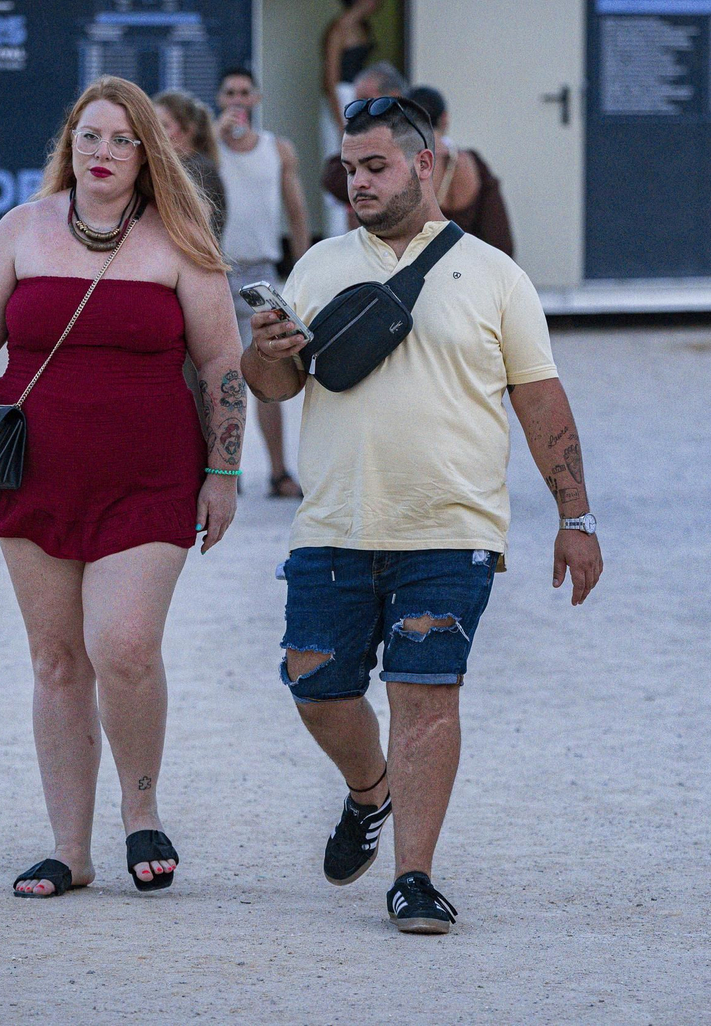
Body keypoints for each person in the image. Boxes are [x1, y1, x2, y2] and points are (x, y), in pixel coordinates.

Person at [241, 97, 604, 934]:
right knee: (316, 687)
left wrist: (575, 518)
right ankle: (370, 793)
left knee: (427, 696)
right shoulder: (321, 264)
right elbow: (279, 388)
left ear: (425, 163)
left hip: (451, 527)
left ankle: (413, 876)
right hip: (332, 525)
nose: (356, 182)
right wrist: (265, 355)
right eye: (349, 168)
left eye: (375, 166)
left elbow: (541, 403)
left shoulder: (496, 276)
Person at [0, 76, 244, 899]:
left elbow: (224, 363)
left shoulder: (182, 240)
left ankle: (141, 810)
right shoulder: (22, 228)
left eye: (122, 139)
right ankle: (69, 849)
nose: (104, 153)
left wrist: (223, 470)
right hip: (34, 469)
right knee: (55, 661)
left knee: (123, 646)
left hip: (152, 476)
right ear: (70, 146)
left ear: (147, 152)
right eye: (91, 137)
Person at [216, 68, 311, 497]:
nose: (237, 100)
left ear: (256, 98)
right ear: (219, 99)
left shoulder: (277, 149)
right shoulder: (208, 149)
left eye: (243, 92)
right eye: (229, 93)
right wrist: (211, 139)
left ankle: (278, 471)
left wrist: (305, 265)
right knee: (219, 374)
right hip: (216, 269)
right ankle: (221, 471)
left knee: (270, 367)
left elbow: (296, 210)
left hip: (261, 272)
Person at [322, 85, 515, 256]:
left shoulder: (405, 161)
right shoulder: (474, 164)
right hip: (467, 269)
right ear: (445, 118)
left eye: (376, 168)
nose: (359, 180)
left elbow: (332, 178)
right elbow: (500, 240)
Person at [319, 0, 383, 235]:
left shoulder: (364, 27)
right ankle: (336, 234)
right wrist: (340, 121)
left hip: (361, 97)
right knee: (339, 162)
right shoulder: (338, 29)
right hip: (341, 97)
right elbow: (330, 80)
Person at [320, 63, 406, 234]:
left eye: (366, 100)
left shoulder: (410, 137)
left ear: (393, 97)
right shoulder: (362, 135)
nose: (360, 110)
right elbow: (333, 179)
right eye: (357, 101)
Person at [153, 89, 227, 239]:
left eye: (165, 125)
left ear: (188, 129)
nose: (155, 132)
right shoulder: (168, 166)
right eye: (153, 124)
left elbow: (194, 227)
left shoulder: (200, 170)